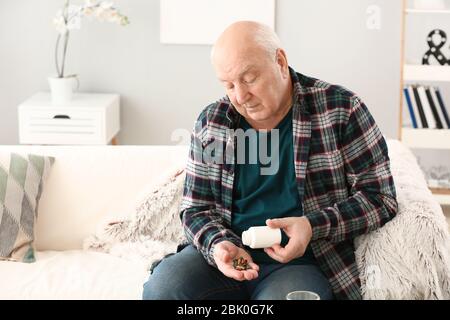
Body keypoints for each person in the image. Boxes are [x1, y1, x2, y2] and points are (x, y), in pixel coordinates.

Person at [142, 21, 397, 300]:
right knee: (163, 288)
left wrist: (313, 225)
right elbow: (196, 209)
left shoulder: (341, 109)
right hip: (225, 258)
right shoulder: (212, 121)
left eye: (249, 79)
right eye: (228, 85)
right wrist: (218, 245)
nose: (240, 96)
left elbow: (380, 198)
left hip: (299, 263)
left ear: (280, 61)